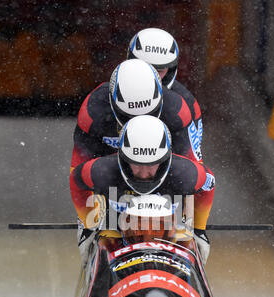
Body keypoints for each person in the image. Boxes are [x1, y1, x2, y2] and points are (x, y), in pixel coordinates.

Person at [70, 115, 215, 268]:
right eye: (136, 164)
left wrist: (199, 230)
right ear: (123, 158)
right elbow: (76, 181)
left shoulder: (186, 174)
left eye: (152, 165)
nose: (144, 173)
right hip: (116, 233)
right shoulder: (102, 171)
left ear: (165, 159)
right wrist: (87, 226)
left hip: (169, 237)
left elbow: (209, 185)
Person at [71, 58, 203, 185]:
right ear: (113, 103)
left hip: (158, 170)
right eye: (129, 115)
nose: (138, 121)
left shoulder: (177, 111)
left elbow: (193, 167)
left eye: (148, 113)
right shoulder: (93, 112)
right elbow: (78, 170)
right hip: (113, 167)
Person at [127, 28, 203, 157]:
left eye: (159, 70)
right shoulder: (104, 95)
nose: (151, 75)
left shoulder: (187, 104)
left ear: (170, 70)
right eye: (145, 67)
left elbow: (190, 163)